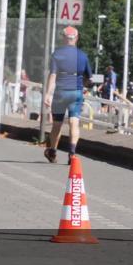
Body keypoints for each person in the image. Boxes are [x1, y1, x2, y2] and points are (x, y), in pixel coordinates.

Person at [43, 26, 93, 164]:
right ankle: (72, 153)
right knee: (74, 123)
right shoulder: (83, 55)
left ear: (64, 38)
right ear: (76, 38)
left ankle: (52, 150)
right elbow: (89, 78)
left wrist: (48, 94)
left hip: (60, 92)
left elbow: (53, 75)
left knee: (57, 124)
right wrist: (87, 85)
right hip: (76, 92)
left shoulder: (57, 54)